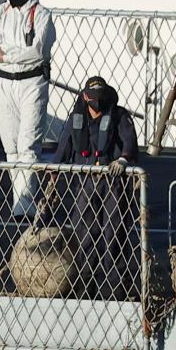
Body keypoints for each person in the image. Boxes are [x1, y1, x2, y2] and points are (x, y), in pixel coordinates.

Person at [46, 76, 139, 299]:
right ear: (85, 97)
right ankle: (85, 289)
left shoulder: (119, 116)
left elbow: (130, 143)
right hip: (85, 183)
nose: (97, 102)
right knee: (85, 235)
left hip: (113, 182)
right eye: (93, 97)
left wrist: (123, 160)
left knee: (114, 234)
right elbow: (64, 146)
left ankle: (119, 290)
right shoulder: (76, 118)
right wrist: (53, 175)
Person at [0, 0, 55, 216]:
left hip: (31, 83)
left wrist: (7, 55)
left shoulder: (42, 14)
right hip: (4, 83)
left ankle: (25, 202)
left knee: (28, 144)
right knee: (11, 147)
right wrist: (13, 55)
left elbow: (38, 51)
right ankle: (21, 202)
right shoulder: (0, 13)